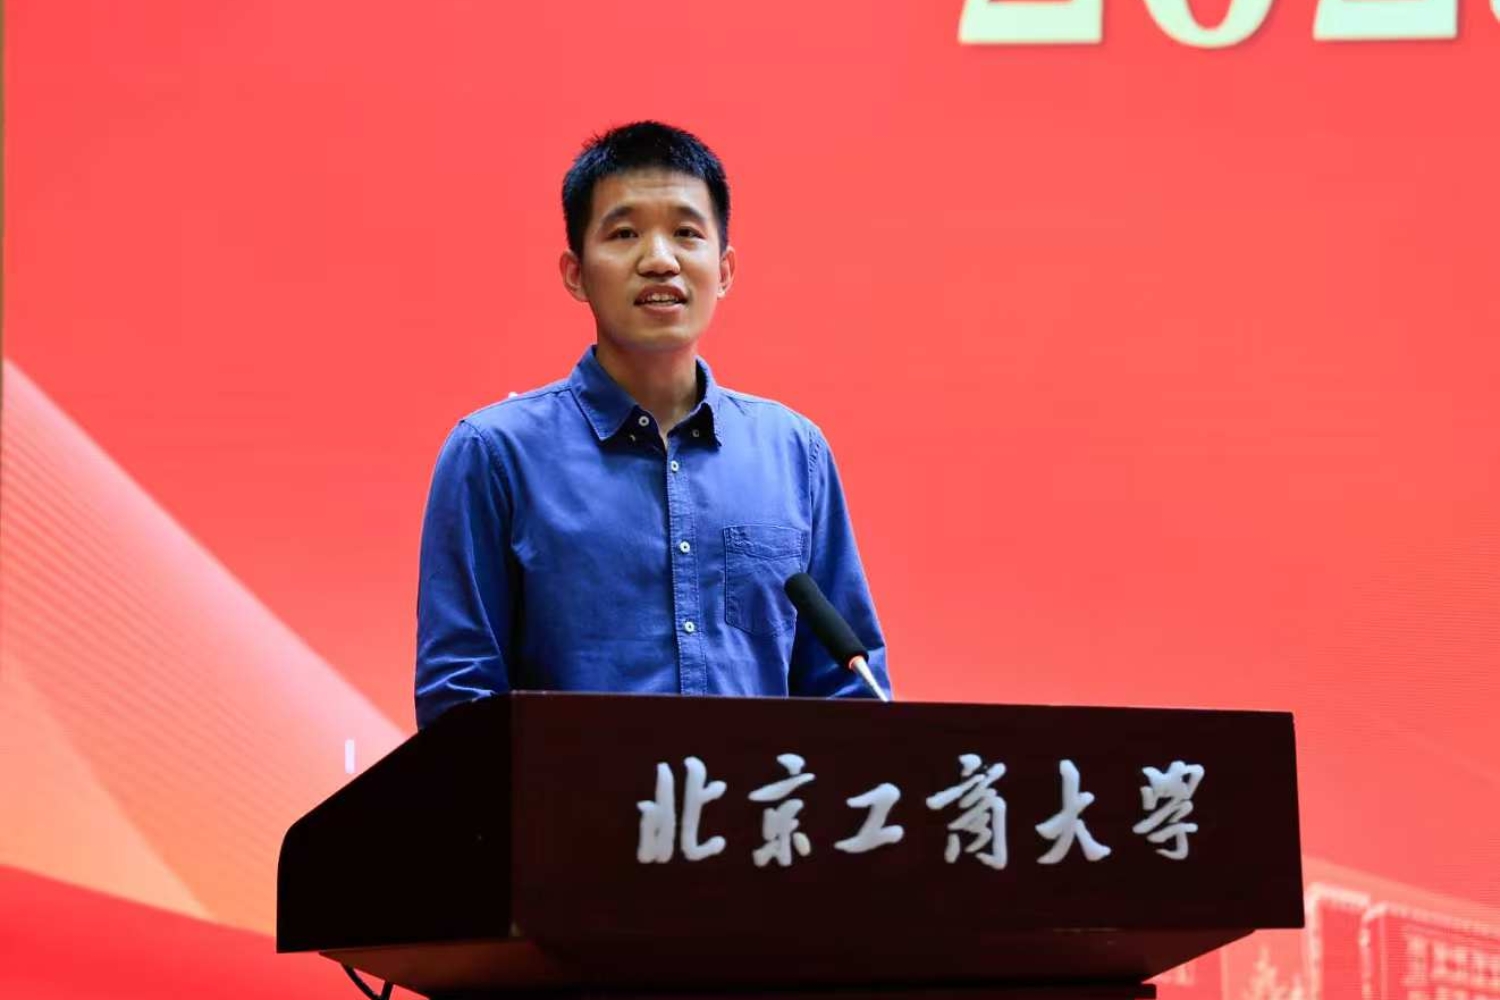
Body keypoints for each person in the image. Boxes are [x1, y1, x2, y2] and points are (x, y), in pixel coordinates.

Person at [414, 121, 888, 729]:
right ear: (576, 273)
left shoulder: (795, 452)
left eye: (687, 233)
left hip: (755, 793)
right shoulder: (496, 454)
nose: (660, 260)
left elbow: (847, 688)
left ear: (724, 270)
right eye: (625, 233)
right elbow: (460, 696)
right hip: (571, 794)